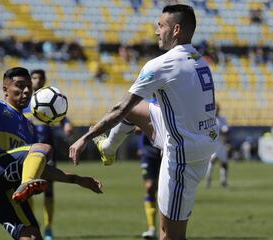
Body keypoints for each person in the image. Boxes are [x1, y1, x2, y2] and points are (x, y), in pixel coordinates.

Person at [69, 4, 218, 239]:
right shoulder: (199, 59)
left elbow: (120, 108)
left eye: (161, 26)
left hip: (183, 156)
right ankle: (108, 147)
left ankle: (106, 144)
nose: (156, 31)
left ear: (176, 29)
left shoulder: (162, 64)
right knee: (137, 109)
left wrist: (85, 137)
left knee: (170, 235)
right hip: (200, 139)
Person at [0, 67, 102, 240]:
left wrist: (77, 179)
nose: (27, 91)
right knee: (44, 148)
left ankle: (26, 185)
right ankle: (27, 184)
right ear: (5, 89)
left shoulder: (29, 128)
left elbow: (38, 165)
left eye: (28, 86)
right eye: (20, 86)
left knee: (32, 236)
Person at [25, 69, 74, 240]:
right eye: (34, 78)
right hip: (27, 154)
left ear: (44, 81)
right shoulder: (25, 102)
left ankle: (48, 228)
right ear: (30, 80)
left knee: (48, 192)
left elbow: (63, 117)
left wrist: (67, 124)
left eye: (40, 78)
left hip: (47, 155)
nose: (37, 81)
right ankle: (31, 224)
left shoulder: (50, 99)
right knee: (26, 191)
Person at [137, 129, 162, 239]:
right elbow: (137, 129)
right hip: (148, 152)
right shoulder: (148, 110)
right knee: (150, 187)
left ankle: (166, 229)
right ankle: (152, 228)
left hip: (166, 151)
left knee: (165, 191)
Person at [206, 103, 229, 188]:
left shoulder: (223, 119)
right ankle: (208, 179)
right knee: (212, 161)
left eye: (217, 108)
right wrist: (214, 136)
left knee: (224, 163)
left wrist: (224, 134)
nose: (216, 110)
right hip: (214, 144)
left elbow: (226, 130)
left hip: (222, 144)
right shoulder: (210, 119)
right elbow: (209, 132)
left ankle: (223, 180)